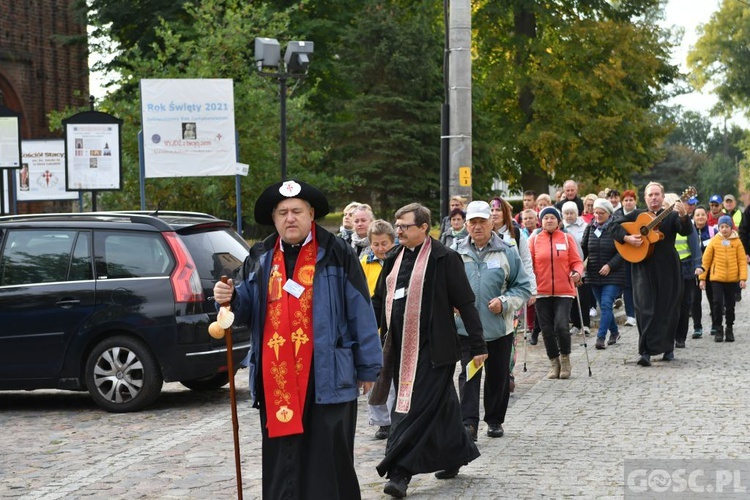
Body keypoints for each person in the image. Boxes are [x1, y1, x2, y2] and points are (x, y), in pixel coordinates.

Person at [212, 179, 382, 499]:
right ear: (274, 219)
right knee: (282, 459)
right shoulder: (261, 255)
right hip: (277, 378)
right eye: (282, 213)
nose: (290, 218)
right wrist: (229, 298)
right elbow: (245, 306)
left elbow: (361, 310)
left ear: (311, 214)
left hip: (327, 375)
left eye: (297, 211)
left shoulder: (336, 252)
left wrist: (368, 367)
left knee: (328, 459)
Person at [371, 203, 487, 498]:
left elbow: (466, 303)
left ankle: (399, 472)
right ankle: (457, 453)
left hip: (435, 350)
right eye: (397, 226)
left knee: (410, 408)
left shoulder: (444, 258)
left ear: (424, 228)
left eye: (404, 226)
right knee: (444, 406)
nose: (399, 231)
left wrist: (478, 345)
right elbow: (379, 299)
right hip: (400, 349)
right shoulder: (394, 257)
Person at [453, 201, 532, 441]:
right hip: (466, 329)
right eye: (473, 222)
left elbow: (523, 286)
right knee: (469, 375)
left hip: (499, 327)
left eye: (482, 222)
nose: (477, 227)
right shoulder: (455, 251)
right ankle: (468, 423)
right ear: (466, 225)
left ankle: (495, 420)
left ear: (491, 222)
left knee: (497, 376)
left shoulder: (507, 250)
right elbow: (443, 285)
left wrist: (505, 302)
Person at [612, 182, 693, 366]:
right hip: (642, 267)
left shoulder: (671, 216)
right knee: (644, 308)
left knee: (668, 307)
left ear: (663, 197)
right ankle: (645, 351)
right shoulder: (636, 215)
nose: (654, 198)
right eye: (650, 195)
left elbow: (686, 231)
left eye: (657, 194)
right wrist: (627, 238)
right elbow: (612, 227)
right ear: (645, 198)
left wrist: (683, 215)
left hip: (668, 268)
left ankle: (668, 348)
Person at [528, 207, 584, 379]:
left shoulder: (567, 239)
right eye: (546, 218)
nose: (549, 220)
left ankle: (565, 358)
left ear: (559, 221)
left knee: (561, 325)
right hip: (542, 291)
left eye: (553, 217)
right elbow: (528, 265)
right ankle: (554, 362)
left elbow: (577, 262)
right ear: (541, 221)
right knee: (546, 329)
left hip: (564, 290)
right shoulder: (535, 239)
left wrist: (577, 273)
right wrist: (529, 287)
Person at [361, 220, 397, 441]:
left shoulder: (399, 261)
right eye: (376, 244)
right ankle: (381, 422)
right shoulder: (365, 262)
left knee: (394, 378)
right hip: (373, 325)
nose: (381, 248)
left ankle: (395, 419)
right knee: (377, 377)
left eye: (384, 243)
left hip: (394, 326)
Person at [581, 198, 625, 349]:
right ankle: (614, 332)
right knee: (603, 305)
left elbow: (623, 251)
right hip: (594, 274)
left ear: (609, 213)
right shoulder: (590, 228)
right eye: (595, 213)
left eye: (601, 213)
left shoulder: (616, 227)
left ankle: (600, 338)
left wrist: (610, 265)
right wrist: (579, 263)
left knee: (606, 304)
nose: (598, 216)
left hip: (613, 274)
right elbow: (583, 249)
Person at [698, 215, 747, 342]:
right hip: (716, 279)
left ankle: (729, 328)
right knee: (717, 303)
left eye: (726, 227)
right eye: (721, 227)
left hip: (732, 279)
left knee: (730, 306)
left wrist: (742, 278)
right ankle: (718, 328)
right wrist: (702, 278)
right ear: (718, 228)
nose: (724, 229)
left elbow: (742, 261)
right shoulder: (714, 241)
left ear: (731, 227)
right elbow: (706, 260)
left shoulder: (737, 242)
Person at [668, 193, 702, 349]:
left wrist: (697, 265)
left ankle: (680, 336)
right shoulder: (664, 222)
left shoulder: (685, 222)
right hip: (668, 267)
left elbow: (694, 244)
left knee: (684, 303)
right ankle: (669, 334)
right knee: (670, 303)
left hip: (685, 266)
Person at [561, 201, 589, 336]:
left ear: (577, 213)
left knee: (582, 296)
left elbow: (587, 247)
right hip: (566, 267)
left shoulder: (584, 226)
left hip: (582, 264)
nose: (569, 216)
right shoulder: (561, 228)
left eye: (572, 213)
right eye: (566, 213)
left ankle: (585, 324)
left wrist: (582, 266)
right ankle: (576, 324)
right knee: (571, 297)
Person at [612, 189, 638, 326]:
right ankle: (630, 315)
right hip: (624, 254)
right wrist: (626, 238)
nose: (628, 202)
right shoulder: (616, 215)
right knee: (627, 284)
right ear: (622, 202)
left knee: (640, 283)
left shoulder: (641, 214)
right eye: (626, 200)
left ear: (635, 201)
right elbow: (614, 230)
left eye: (631, 200)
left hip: (641, 252)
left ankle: (640, 311)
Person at [691, 206, 717, 339]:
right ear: (693, 217)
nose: (700, 217)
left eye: (702, 215)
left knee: (713, 298)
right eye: (697, 215)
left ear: (706, 217)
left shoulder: (713, 231)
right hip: (695, 269)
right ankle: (697, 327)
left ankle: (715, 325)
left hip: (710, 270)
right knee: (695, 299)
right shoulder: (689, 231)